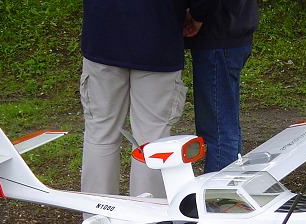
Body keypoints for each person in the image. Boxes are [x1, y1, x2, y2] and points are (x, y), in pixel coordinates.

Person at [79, 0, 220, 199]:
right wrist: (198, 14)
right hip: (159, 34)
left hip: (103, 32)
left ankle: (96, 218)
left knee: (101, 133)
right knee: (152, 140)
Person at [184, 0, 259, 173]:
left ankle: (217, 197)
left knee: (218, 132)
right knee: (226, 125)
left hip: (218, 35)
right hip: (231, 30)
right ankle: (229, 189)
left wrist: (197, 15)